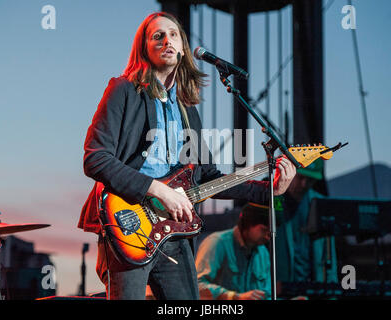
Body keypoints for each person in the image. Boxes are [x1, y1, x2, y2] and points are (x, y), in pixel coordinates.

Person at [77, 11, 296, 300]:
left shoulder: (187, 110)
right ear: (144, 48)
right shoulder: (123, 90)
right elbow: (95, 158)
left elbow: (209, 177)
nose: (166, 40)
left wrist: (269, 189)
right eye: (157, 36)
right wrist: (157, 190)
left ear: (182, 49)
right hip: (129, 224)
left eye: (173, 35)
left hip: (175, 231)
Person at [275, 158, 338, 285]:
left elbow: (329, 254)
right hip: (279, 290)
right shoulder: (272, 201)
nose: (304, 184)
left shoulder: (321, 204)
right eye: (300, 177)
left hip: (313, 287)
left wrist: (331, 291)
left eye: (310, 180)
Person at [195, 203, 272, 300]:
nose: (267, 237)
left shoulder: (262, 251)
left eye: (269, 232)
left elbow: (267, 293)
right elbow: (197, 285)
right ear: (248, 225)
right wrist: (234, 296)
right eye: (263, 230)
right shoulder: (217, 242)